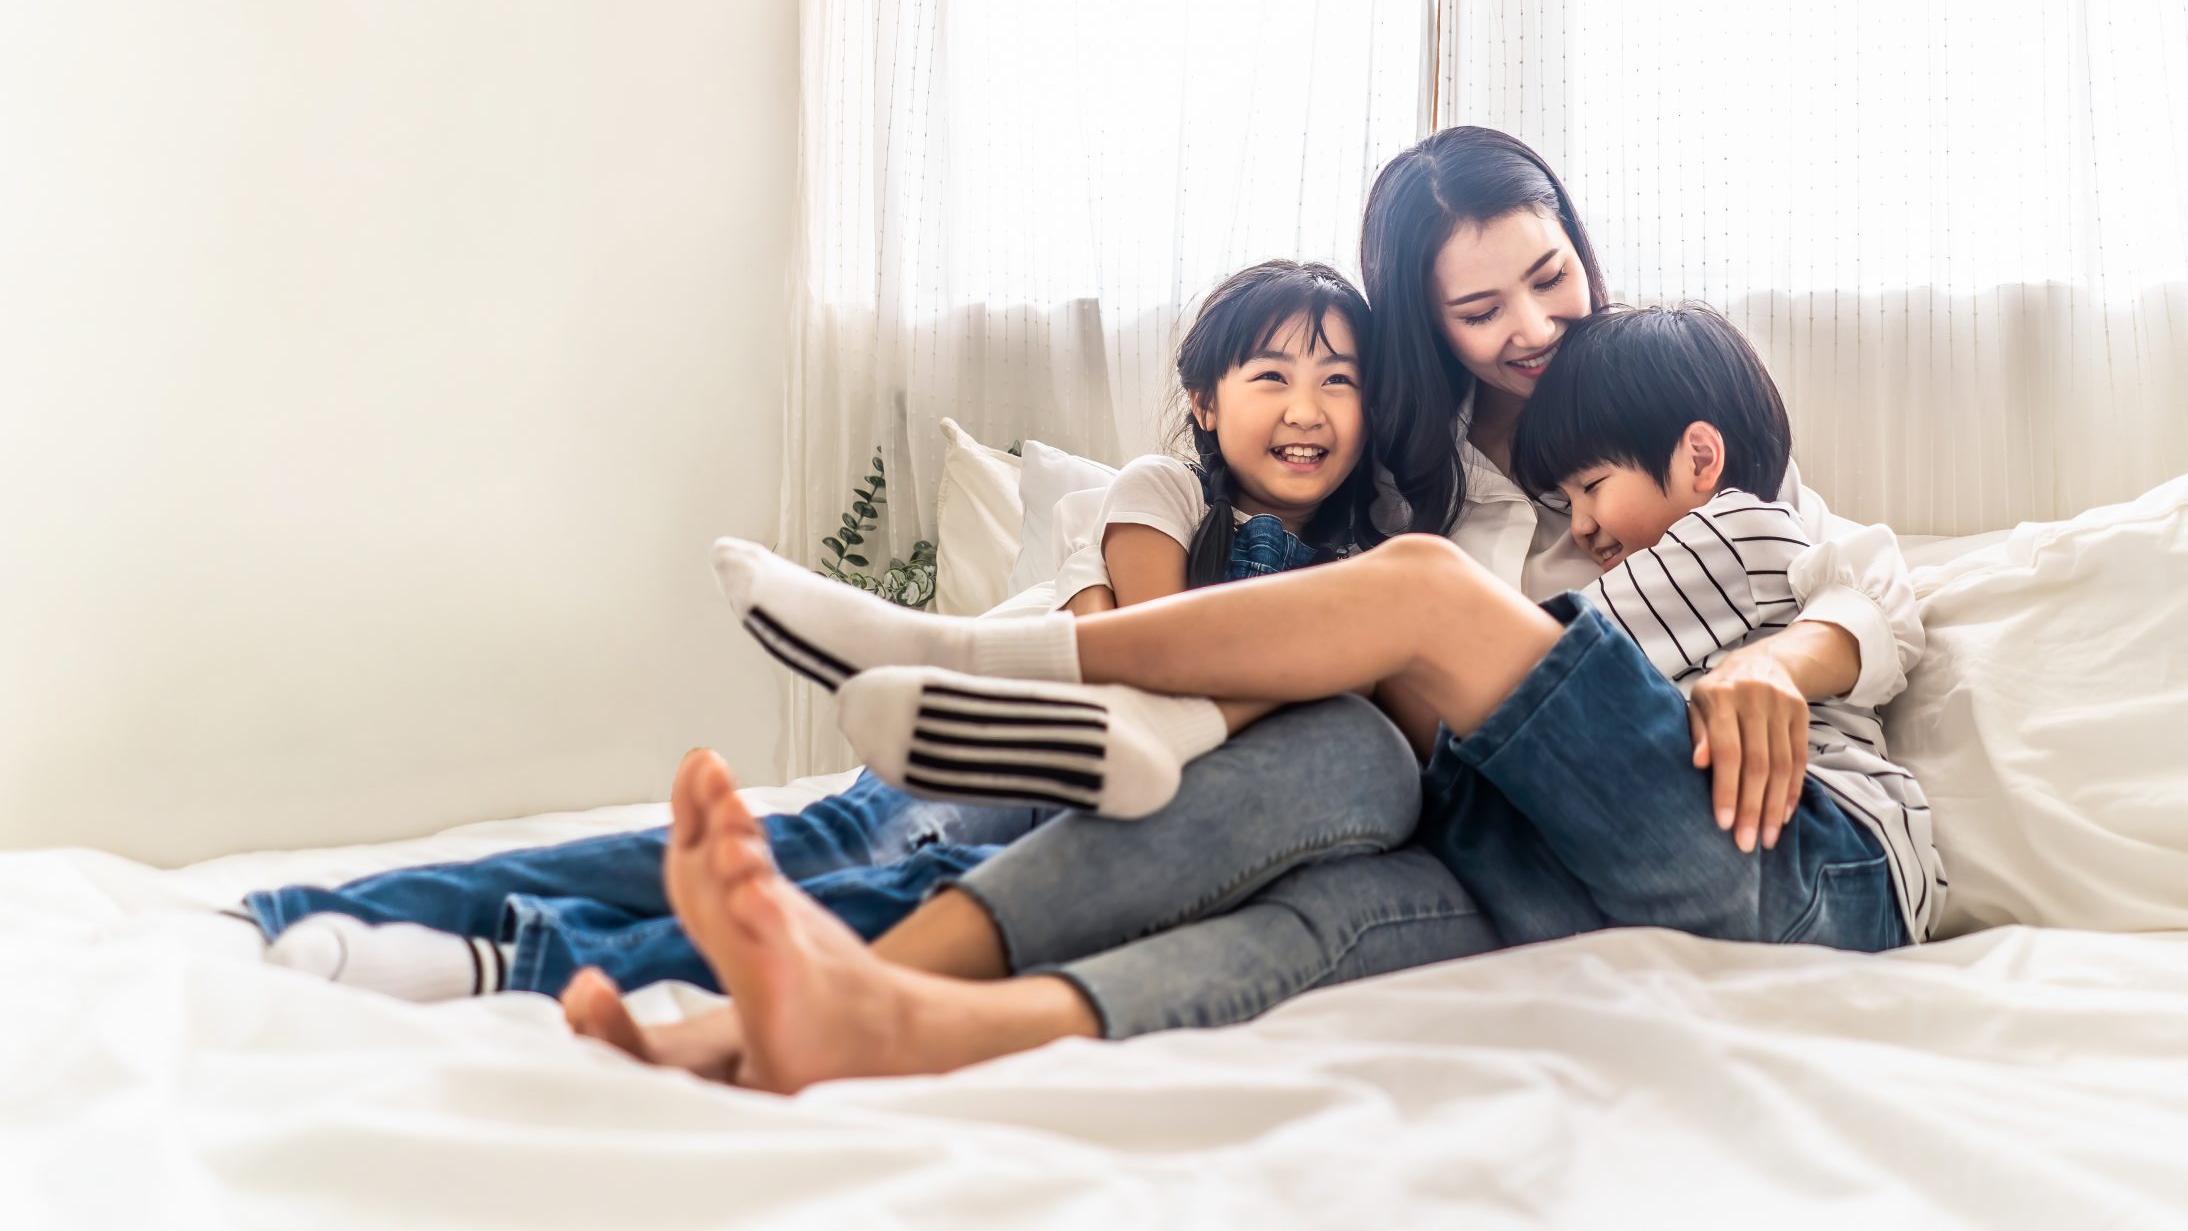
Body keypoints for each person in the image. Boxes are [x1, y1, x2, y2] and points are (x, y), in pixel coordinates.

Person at [572, 129, 1927, 1086]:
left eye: (1550, 273)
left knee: (1418, 601)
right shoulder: (1413, 481)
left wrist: (1780, 663)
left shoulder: (1667, 402)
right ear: (1423, 319)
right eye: (1477, 304)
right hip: (1540, 868)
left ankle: (974, 652)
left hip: (1775, 849)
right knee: (1325, 827)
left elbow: (1863, 574)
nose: (1530, 322)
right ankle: (869, 1008)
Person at [240, 261, 1411, 1002]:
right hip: (1016, 738)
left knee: (939, 896)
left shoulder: (1379, 560)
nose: (1307, 410)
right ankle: (363, 906)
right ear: (1207, 402)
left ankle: (512, 960)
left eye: (1341, 382)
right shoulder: (1163, 492)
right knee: (828, 848)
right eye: (1271, 375)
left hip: (1137, 810)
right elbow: (1174, 642)